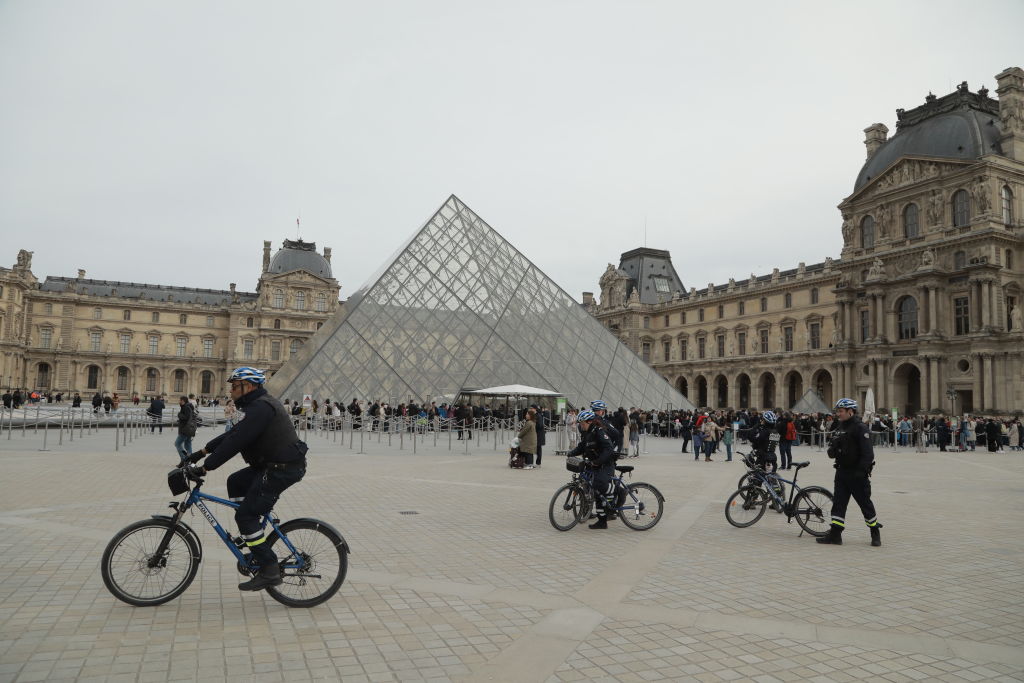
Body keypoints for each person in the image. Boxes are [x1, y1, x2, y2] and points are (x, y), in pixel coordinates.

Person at [184, 367, 308, 591]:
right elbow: (232, 434)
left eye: (234, 386)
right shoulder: (254, 405)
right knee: (235, 481)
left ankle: (269, 569)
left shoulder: (261, 407)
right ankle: (253, 535)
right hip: (272, 465)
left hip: (283, 469)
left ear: (248, 386)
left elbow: (236, 442)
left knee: (246, 515)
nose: (230, 390)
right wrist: (202, 452)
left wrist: (205, 468)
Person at [818, 398, 883, 547]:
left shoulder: (860, 428)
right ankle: (835, 535)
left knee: (865, 504)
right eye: (837, 411)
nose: (838, 414)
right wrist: (832, 450)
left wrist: (862, 471)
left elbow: (868, 454)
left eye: (841, 411)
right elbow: (833, 447)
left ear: (850, 412)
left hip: (857, 474)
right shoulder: (839, 426)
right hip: (842, 472)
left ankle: (875, 531)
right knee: (838, 504)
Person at [566, 409, 617, 529]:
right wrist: (571, 453)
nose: (580, 425)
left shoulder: (599, 432)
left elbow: (609, 449)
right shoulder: (589, 433)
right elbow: (582, 446)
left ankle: (617, 490)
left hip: (605, 465)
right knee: (597, 492)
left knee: (600, 485)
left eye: (582, 423)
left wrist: (597, 462)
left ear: (589, 422)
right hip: (595, 464)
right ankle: (602, 522)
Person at [174, 396, 196, 463]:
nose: (179, 401)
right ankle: (189, 459)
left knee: (177, 443)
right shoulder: (188, 407)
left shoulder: (186, 407)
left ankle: (184, 459)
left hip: (185, 429)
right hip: (189, 429)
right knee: (188, 444)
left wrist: (179, 415)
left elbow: (186, 417)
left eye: (180, 400)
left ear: (183, 401)